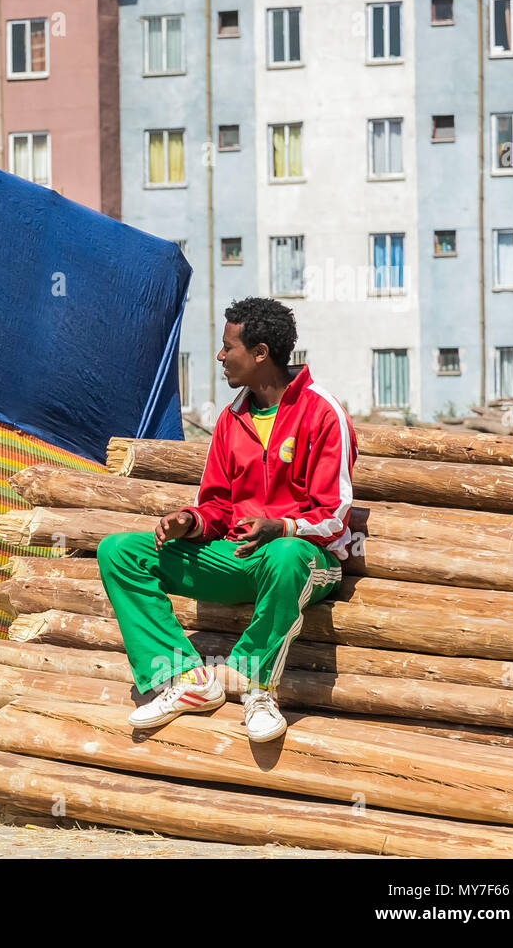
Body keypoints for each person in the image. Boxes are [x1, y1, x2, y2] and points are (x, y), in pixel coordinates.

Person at [96, 297, 356, 742]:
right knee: (120, 552)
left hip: (305, 561)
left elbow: (333, 515)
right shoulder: (231, 419)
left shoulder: (322, 412)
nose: (220, 357)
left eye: (227, 347)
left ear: (260, 353)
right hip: (237, 557)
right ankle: (186, 678)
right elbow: (216, 506)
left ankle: (257, 688)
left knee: (288, 554)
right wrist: (189, 521)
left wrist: (283, 527)